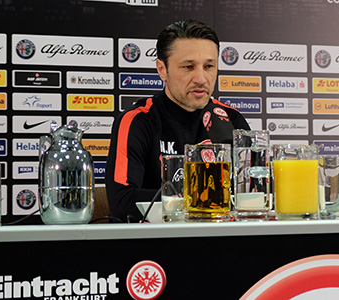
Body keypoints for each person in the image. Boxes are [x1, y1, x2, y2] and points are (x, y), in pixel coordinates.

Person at [106, 20, 250, 221]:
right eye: (188, 67)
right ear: (162, 69)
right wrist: (204, 199)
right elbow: (121, 203)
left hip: (222, 242)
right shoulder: (137, 120)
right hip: (156, 245)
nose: (201, 78)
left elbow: (252, 196)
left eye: (209, 66)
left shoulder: (231, 120)